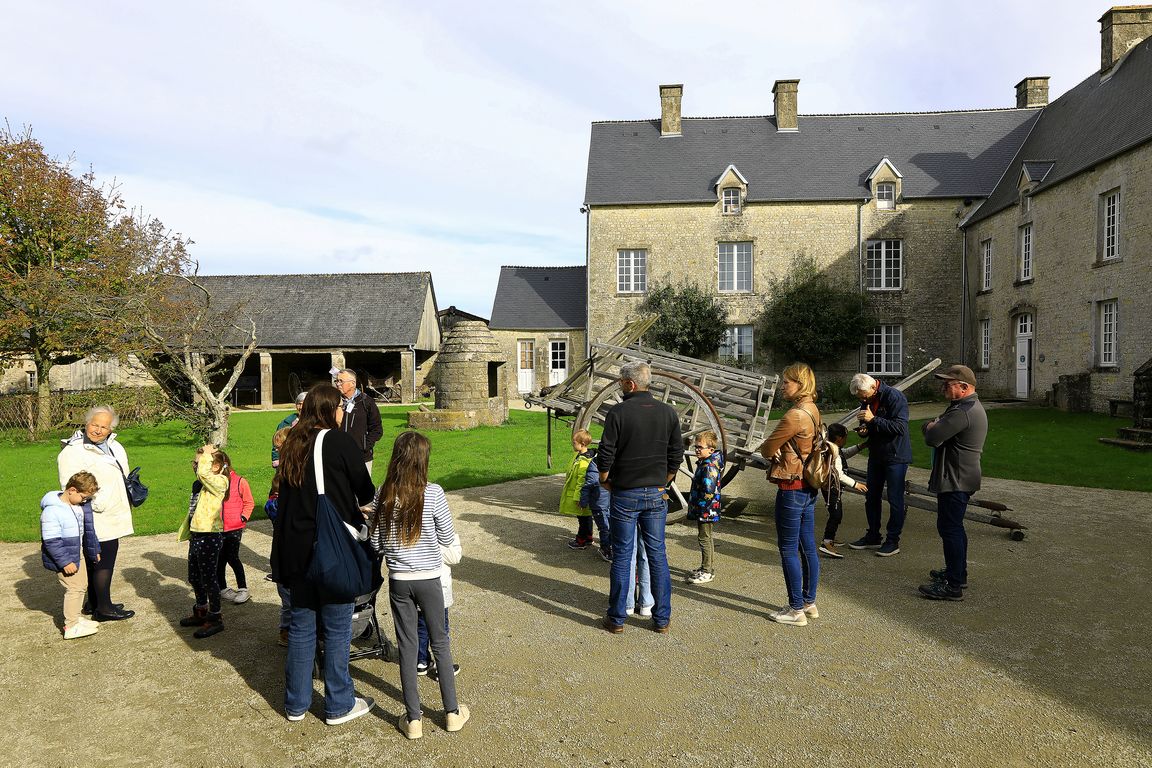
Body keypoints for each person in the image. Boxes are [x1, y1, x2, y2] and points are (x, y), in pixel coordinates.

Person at [270, 383, 377, 726]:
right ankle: (338, 704)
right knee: (336, 625)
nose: (343, 412)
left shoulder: (290, 446)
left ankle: (296, 704)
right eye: (340, 407)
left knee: (302, 626)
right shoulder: (337, 441)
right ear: (331, 409)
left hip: (294, 548)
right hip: (329, 548)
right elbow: (365, 488)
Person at [368, 431, 469, 739]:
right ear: (423, 460)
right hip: (430, 579)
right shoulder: (434, 493)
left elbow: (375, 544)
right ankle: (451, 712)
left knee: (409, 646)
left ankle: (414, 719)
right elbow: (448, 539)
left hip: (400, 581)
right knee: (440, 641)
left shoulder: (383, 492)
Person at [597, 361, 684, 634]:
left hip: (625, 493)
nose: (621, 386)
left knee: (623, 556)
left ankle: (617, 618)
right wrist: (665, 481)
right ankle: (661, 619)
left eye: (622, 382)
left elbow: (606, 452)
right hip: (656, 493)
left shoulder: (618, 412)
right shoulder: (668, 413)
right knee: (658, 554)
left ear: (630, 384)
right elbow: (676, 454)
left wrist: (604, 479)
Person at [57, 405, 136, 622]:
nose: (98, 430)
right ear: (86, 423)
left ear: (111, 429)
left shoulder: (114, 446)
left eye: (104, 426)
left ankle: (94, 603)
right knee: (103, 559)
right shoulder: (73, 451)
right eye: (95, 425)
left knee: (99, 557)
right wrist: (98, 502)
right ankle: (104, 608)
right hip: (94, 514)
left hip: (113, 511)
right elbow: (70, 485)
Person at [759, 362, 822, 627]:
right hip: (808, 486)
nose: (783, 386)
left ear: (800, 384)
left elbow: (766, 448)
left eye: (787, 382)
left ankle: (795, 609)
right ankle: (809, 602)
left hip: (791, 487)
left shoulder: (794, 415)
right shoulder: (812, 409)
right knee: (807, 547)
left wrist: (774, 449)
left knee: (788, 549)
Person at [919, 365, 988, 601]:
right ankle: (957, 573)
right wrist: (934, 425)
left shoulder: (962, 412)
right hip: (960, 476)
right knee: (954, 527)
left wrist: (931, 426)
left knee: (950, 529)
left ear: (964, 387)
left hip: (956, 478)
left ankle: (953, 585)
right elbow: (936, 430)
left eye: (948, 384)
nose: (943, 388)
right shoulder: (963, 407)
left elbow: (932, 436)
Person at [846, 373, 911, 557]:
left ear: (873, 387)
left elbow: (900, 428)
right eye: (859, 397)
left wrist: (873, 420)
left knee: (894, 498)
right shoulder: (867, 398)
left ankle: (893, 541)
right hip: (876, 455)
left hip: (895, 456)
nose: (862, 399)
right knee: (871, 496)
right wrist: (864, 430)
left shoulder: (894, 397)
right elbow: (868, 423)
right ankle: (873, 536)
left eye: (863, 396)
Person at [41, 471, 102, 640]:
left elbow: (88, 531)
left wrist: (94, 549)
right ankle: (71, 626)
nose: (85, 501)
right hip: (66, 558)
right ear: (72, 490)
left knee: (82, 585)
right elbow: (51, 542)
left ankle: (76, 618)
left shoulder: (76, 507)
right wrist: (65, 562)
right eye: (83, 497)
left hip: (77, 553)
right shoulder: (52, 511)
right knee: (74, 588)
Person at [179, 445, 230, 639]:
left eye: (198, 462)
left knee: (209, 579)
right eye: (195, 462)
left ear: (214, 466)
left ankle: (215, 616)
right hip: (197, 534)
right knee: (194, 576)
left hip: (210, 535)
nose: (195, 465)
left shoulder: (220, 481)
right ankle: (201, 609)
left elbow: (204, 474)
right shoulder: (198, 484)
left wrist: (206, 456)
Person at [416, 531, 462, 679]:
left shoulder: (414, 530)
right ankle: (441, 667)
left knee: (422, 626)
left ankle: (421, 661)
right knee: (440, 629)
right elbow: (455, 557)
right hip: (438, 588)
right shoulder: (446, 533)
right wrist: (437, 545)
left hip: (419, 585)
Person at [818, 423, 867, 559]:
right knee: (836, 514)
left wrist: (859, 447)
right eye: (845, 437)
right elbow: (839, 474)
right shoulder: (833, 450)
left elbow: (844, 454)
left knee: (835, 513)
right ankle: (827, 542)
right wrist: (855, 484)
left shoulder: (833, 448)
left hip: (832, 488)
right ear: (839, 438)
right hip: (832, 488)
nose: (846, 440)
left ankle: (830, 538)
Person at [560, 429, 611, 559]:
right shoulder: (578, 457)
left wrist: (579, 498)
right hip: (587, 496)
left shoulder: (585, 462)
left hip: (584, 496)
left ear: (582, 444)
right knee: (584, 517)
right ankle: (587, 536)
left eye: (574, 443)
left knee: (585, 519)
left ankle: (582, 539)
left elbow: (583, 482)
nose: (572, 445)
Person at [216, 451, 255, 605]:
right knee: (220, 560)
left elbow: (249, 502)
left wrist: (243, 517)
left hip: (234, 528)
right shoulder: (214, 483)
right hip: (218, 528)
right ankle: (223, 588)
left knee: (232, 557)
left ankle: (243, 588)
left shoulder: (239, 481)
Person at [685, 430, 723, 584]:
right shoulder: (706, 463)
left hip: (706, 509)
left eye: (700, 447)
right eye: (696, 447)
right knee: (706, 537)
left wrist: (700, 507)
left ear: (711, 450)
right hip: (706, 509)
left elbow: (708, 490)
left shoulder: (709, 467)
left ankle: (707, 571)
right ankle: (705, 567)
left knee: (704, 538)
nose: (697, 450)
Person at [334, 369, 384, 473]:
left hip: (362, 457)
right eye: (337, 381)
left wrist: (365, 446)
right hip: (338, 457)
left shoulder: (366, 402)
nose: (338, 384)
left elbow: (377, 429)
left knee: (362, 488)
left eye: (341, 381)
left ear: (352, 383)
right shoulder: (333, 402)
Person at [272, 392, 306, 468]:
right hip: (288, 463)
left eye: (304, 404)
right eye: (299, 404)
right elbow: (276, 444)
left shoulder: (316, 423)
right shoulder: (286, 423)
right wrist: (276, 460)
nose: (301, 407)